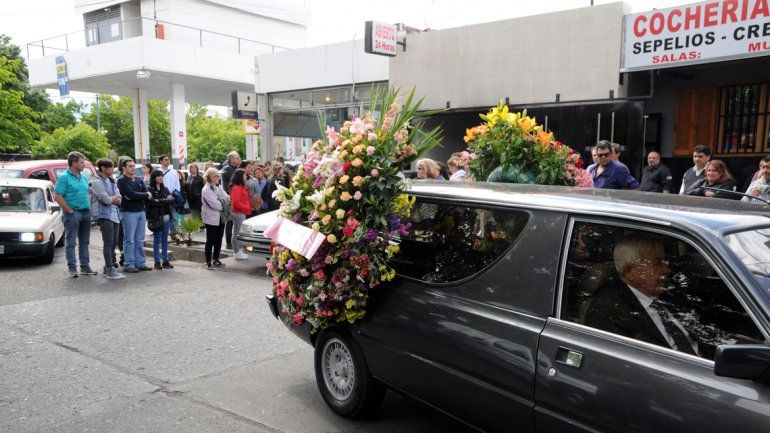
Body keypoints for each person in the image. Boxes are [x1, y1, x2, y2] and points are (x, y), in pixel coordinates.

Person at [584, 234, 699, 356]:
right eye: (657, 263)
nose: (667, 269)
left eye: (665, 261)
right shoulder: (608, 312)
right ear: (630, 271)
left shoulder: (670, 293)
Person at [54, 151, 98, 278]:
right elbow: (58, 197)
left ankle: (85, 267)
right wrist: (69, 211)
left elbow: (87, 193)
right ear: (73, 163)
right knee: (71, 242)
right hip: (73, 213)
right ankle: (72, 268)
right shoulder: (64, 177)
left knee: (84, 242)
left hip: (85, 212)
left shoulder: (83, 177)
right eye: (81, 162)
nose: (83, 165)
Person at [91, 158, 125, 280]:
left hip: (114, 214)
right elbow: (106, 200)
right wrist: (114, 198)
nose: (112, 169)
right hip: (104, 215)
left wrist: (113, 198)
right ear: (103, 169)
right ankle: (110, 269)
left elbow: (119, 199)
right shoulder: (97, 182)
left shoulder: (112, 180)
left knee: (114, 243)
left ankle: (108, 267)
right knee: (108, 242)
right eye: (110, 167)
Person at [117, 158, 153, 273]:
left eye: (133, 166)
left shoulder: (138, 179)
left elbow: (144, 193)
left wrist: (140, 195)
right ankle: (129, 264)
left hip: (141, 212)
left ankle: (140, 263)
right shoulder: (121, 180)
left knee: (139, 239)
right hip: (128, 212)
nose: (133, 168)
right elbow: (130, 194)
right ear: (124, 168)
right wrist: (144, 195)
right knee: (129, 240)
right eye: (130, 166)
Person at [146, 170, 175, 270]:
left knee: (165, 239)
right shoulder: (149, 188)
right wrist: (164, 200)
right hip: (156, 217)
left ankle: (165, 261)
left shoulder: (165, 188)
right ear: (154, 177)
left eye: (161, 176)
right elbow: (152, 203)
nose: (160, 178)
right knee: (157, 239)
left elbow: (172, 200)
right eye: (158, 176)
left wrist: (160, 200)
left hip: (166, 215)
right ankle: (157, 261)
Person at [201, 168, 229, 269]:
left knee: (219, 239)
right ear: (209, 178)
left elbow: (226, 197)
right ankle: (208, 261)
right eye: (215, 176)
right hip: (211, 218)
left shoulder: (218, 186)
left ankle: (216, 259)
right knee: (210, 240)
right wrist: (224, 204)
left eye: (218, 176)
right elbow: (215, 204)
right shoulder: (206, 190)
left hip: (220, 217)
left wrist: (224, 202)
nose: (218, 178)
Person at [221, 151, 242, 250]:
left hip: (236, 197)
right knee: (229, 221)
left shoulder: (235, 168)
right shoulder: (227, 169)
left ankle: (236, 241)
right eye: (237, 158)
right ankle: (229, 242)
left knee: (236, 221)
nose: (239, 159)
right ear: (232, 159)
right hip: (229, 198)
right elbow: (235, 181)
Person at [229, 168, 251, 260]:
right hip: (238, 212)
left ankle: (238, 251)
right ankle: (237, 251)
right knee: (237, 233)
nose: (246, 176)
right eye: (244, 175)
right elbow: (236, 202)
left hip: (240, 212)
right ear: (240, 176)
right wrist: (247, 207)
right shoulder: (237, 188)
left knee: (237, 232)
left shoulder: (239, 187)